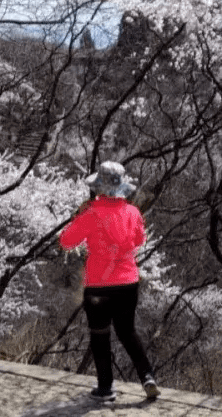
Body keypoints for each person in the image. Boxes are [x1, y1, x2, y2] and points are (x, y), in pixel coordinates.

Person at [60, 161, 160, 402]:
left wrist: (78, 217)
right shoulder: (133, 212)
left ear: (99, 187)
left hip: (98, 285)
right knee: (127, 332)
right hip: (128, 283)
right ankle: (147, 376)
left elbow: (66, 241)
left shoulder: (90, 213)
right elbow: (138, 240)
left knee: (100, 335)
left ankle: (106, 387)